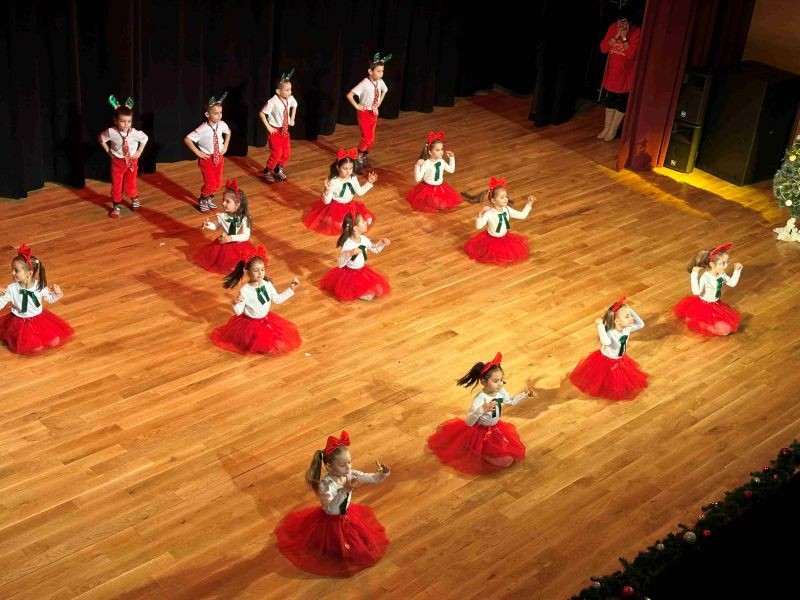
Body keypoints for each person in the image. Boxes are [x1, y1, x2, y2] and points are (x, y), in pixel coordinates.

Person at [275, 430, 391, 577]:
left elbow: (372, 478)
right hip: (331, 522)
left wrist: (382, 474)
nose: (348, 467)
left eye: (349, 462)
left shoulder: (350, 474)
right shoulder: (325, 485)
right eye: (343, 465)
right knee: (332, 548)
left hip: (347, 515)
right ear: (329, 467)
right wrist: (345, 490)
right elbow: (331, 510)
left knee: (358, 543)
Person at [428, 352, 536, 474]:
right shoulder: (480, 399)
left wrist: (526, 395)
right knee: (505, 461)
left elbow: (511, 401)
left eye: (501, 380)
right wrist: (482, 409)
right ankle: (475, 448)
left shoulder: (501, 391)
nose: (500, 384)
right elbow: (469, 422)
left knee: (507, 453)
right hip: (481, 432)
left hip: (495, 428)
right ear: (484, 382)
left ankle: (486, 450)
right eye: (495, 381)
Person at [210, 248, 301, 355]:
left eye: (262, 269)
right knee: (252, 343)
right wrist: (235, 303)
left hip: (266, 320)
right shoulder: (245, 290)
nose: (260, 273)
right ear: (248, 272)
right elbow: (238, 312)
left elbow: (277, 300)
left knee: (273, 342)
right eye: (256, 270)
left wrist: (290, 289)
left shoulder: (267, 285)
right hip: (249, 324)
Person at [569, 296, 648, 400]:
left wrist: (630, 310)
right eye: (627, 316)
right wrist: (600, 325)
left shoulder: (626, 329)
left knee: (615, 377)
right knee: (604, 376)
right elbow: (606, 342)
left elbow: (641, 324)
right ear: (617, 322)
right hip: (605, 361)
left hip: (619, 359)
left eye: (630, 316)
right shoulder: (611, 332)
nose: (631, 318)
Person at [0, 244, 73, 354]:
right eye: (12, 270)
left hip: (39, 319)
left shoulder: (40, 286)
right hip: (19, 321)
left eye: (16, 270)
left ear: (29, 273)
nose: (12, 273)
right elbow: (1, 303)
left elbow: (50, 299)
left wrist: (57, 293)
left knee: (55, 341)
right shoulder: (11, 288)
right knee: (36, 348)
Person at [303, 149, 378, 235]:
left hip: (351, 205)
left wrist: (369, 183)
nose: (348, 171)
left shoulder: (353, 178)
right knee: (340, 226)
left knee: (365, 219)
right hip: (337, 207)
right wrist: (327, 190)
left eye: (350, 168)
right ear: (338, 167)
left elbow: (360, 192)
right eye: (345, 169)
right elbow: (326, 201)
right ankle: (332, 220)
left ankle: (353, 223)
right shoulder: (333, 181)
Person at [674, 243, 744, 336]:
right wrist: (694, 275)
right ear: (712, 264)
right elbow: (696, 291)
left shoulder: (721, 274)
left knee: (728, 328)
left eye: (727, 262)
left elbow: (732, 283)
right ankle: (701, 323)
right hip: (704, 307)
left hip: (717, 305)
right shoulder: (705, 277)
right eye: (722, 263)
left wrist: (737, 270)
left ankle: (698, 320)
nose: (726, 266)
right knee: (725, 331)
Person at [463, 177, 535, 265]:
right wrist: (481, 212)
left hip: (505, 238)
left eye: (506, 196)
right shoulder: (489, 213)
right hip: (491, 240)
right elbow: (478, 226)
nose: (506, 199)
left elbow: (522, 215)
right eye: (502, 197)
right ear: (493, 200)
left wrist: (529, 204)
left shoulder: (507, 209)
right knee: (492, 254)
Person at [194, 178, 260, 274]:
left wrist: (231, 238)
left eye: (227, 201)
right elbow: (216, 226)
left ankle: (239, 265)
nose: (223, 203)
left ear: (237, 205)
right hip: (225, 244)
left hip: (239, 244)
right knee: (224, 261)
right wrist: (209, 225)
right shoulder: (222, 216)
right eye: (223, 200)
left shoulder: (244, 218)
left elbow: (246, 235)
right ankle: (232, 265)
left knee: (243, 260)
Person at [320, 213, 391, 301]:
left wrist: (382, 243)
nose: (366, 222)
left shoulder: (364, 239)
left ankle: (362, 290)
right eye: (363, 222)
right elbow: (340, 264)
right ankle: (356, 291)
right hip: (350, 275)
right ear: (356, 228)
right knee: (369, 296)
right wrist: (350, 253)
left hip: (362, 271)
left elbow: (374, 249)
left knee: (379, 291)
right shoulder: (348, 245)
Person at [98, 95, 148, 218]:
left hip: (131, 162)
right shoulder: (111, 132)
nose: (126, 124)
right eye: (122, 121)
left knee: (130, 184)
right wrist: (108, 151)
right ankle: (116, 205)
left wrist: (139, 151)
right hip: (117, 163)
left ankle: (134, 198)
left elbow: (145, 138)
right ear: (115, 120)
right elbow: (101, 138)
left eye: (129, 121)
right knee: (117, 185)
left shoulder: (135, 133)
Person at [597, 9, 641, 141]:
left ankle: (613, 130)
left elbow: (631, 55)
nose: (621, 24)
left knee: (621, 102)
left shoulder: (637, 32)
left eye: (624, 22)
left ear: (630, 22)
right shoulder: (613, 28)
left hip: (626, 75)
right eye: (619, 21)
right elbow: (603, 49)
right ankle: (606, 128)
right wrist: (615, 37)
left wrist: (625, 38)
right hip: (612, 72)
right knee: (609, 99)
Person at [184, 92, 231, 212]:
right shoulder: (202, 129)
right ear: (207, 114)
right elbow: (187, 139)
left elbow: (228, 132)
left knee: (218, 184)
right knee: (210, 184)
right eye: (215, 113)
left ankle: (209, 198)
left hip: (219, 158)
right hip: (207, 160)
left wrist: (225, 145)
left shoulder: (222, 124)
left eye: (220, 113)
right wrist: (198, 152)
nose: (219, 116)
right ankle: (203, 199)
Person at [346, 52, 391, 169]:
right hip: (364, 113)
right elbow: (350, 95)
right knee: (367, 138)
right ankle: (358, 155)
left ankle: (364, 155)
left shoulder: (380, 82)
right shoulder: (364, 83)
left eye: (382, 71)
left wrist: (379, 102)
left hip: (374, 113)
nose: (381, 74)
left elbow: (385, 90)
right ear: (370, 71)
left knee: (371, 139)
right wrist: (357, 106)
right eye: (378, 71)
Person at [405, 131, 460, 212]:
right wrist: (417, 166)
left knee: (442, 205)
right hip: (428, 188)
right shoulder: (426, 164)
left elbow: (451, 170)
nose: (441, 152)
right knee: (434, 204)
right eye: (437, 150)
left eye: (441, 149)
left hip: (440, 187)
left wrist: (452, 158)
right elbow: (418, 179)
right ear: (430, 152)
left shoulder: (441, 161)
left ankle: (434, 202)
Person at [259, 68, 297, 183]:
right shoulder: (273, 102)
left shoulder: (290, 99)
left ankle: (278, 168)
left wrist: (292, 118)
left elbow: (294, 105)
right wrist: (269, 127)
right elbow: (262, 113)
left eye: (290, 89)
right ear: (278, 91)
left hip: (285, 130)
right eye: (287, 90)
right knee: (277, 152)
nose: (290, 92)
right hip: (275, 130)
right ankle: (268, 170)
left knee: (286, 153)